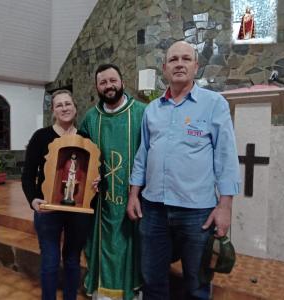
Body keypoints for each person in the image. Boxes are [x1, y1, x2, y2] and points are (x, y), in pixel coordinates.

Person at [128, 41, 241, 300]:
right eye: (174, 59)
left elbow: (225, 157)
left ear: (196, 66)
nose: (180, 64)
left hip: (196, 211)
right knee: (152, 279)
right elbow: (143, 154)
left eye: (186, 59)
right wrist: (134, 194)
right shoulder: (152, 109)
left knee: (197, 283)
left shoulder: (214, 104)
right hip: (153, 208)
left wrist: (225, 206)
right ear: (165, 68)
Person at [80, 63, 146, 299]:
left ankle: (132, 289)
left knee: (131, 244)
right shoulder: (90, 118)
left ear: (122, 82)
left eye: (112, 81)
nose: (109, 86)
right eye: (103, 82)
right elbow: (81, 156)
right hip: (100, 202)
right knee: (102, 242)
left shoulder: (141, 112)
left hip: (134, 198)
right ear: (97, 87)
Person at [21, 90, 92, 300]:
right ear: (53, 110)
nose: (64, 108)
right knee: (50, 261)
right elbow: (27, 175)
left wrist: (95, 182)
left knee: (72, 260)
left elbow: (91, 173)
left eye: (68, 104)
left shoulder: (85, 139)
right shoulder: (41, 137)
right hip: (48, 210)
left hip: (77, 211)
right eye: (59, 105)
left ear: (75, 107)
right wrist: (33, 200)